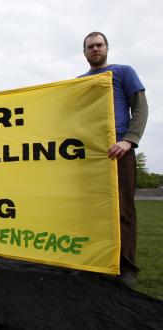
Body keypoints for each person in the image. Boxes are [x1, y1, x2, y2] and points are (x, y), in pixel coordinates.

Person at [78, 32, 148, 288]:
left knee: (123, 210)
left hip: (118, 149)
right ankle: (93, 262)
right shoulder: (78, 82)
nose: (95, 49)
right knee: (90, 210)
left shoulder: (123, 72)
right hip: (88, 154)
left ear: (106, 48)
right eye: (90, 47)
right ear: (84, 52)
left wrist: (129, 140)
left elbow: (140, 107)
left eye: (99, 45)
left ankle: (127, 268)